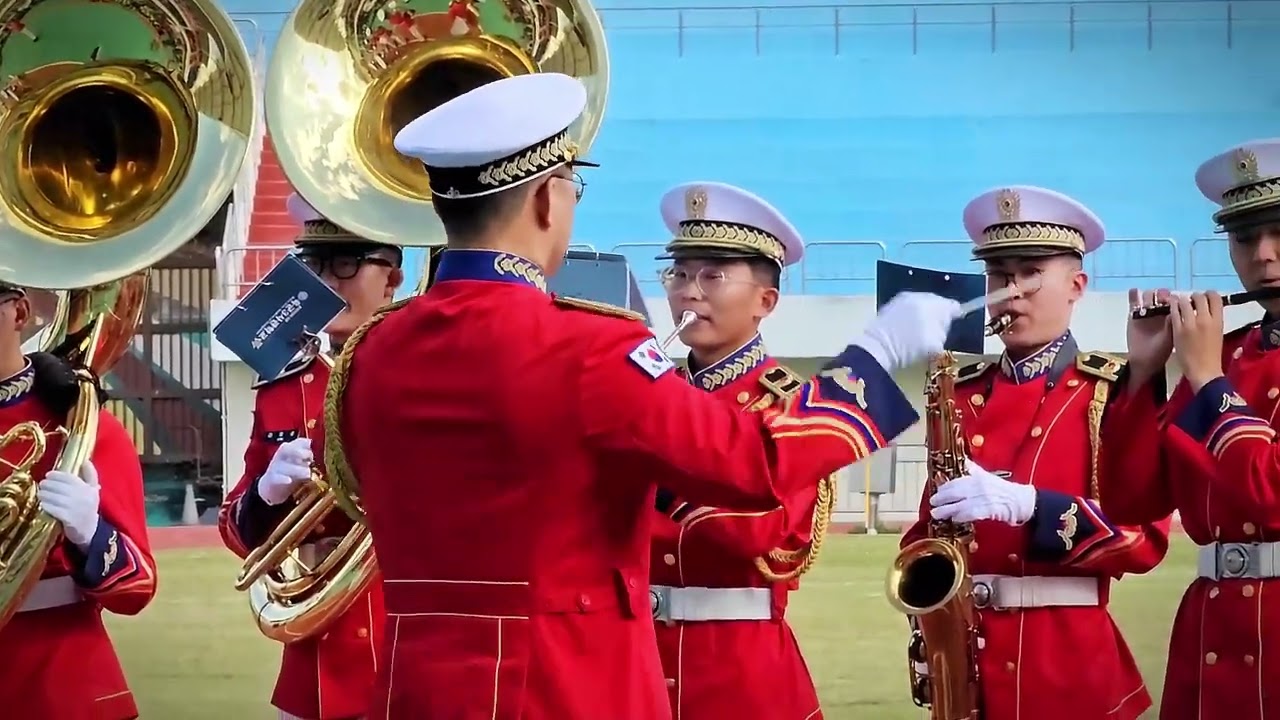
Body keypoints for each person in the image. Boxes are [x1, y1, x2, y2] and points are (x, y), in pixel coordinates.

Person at [322, 72, 963, 719]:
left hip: (418, 690)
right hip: (564, 689)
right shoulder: (590, 350)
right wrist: (872, 367)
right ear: (548, 199)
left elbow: (357, 490)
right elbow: (752, 464)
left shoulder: (372, 351)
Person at [901, 186, 1172, 720]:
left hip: (1068, 668)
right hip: (968, 665)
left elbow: (1144, 541)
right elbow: (928, 532)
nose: (1011, 292)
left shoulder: (1114, 391)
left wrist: (1033, 508)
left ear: (1077, 286)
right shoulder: (956, 394)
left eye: (1030, 273)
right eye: (999, 275)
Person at [1102, 138, 1280, 720]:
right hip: (1213, 632)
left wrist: (1207, 380)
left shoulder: (1213, 367)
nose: (1264, 256)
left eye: (1279, 232)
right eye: (1245, 237)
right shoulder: (1227, 355)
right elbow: (1133, 502)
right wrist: (1143, 376)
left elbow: (1268, 497)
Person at [217, 193, 404, 720]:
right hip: (316, 668)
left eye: (346, 264)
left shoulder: (429, 371)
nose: (326, 281)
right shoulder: (281, 385)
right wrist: (267, 494)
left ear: (392, 276)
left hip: (411, 651)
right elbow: (235, 527)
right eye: (315, 263)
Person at [647, 181, 827, 719]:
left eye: (713, 275)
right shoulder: (649, 395)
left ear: (765, 301)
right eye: (679, 274)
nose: (689, 292)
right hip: (640, 662)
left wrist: (655, 484)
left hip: (742, 671)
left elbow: (769, 537)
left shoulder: (796, 408)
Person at [0, 282, 157, 720]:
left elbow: (137, 587)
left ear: (19, 312)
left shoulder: (83, 425)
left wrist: (90, 534)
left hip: (58, 679)